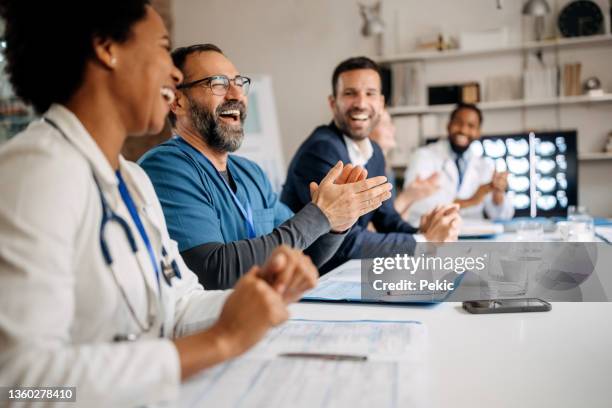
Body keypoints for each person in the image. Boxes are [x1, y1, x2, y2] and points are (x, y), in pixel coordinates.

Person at [0, 2, 317, 406]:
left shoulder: (131, 179)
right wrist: (220, 341)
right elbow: (19, 384)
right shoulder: (37, 174)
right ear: (105, 47)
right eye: (163, 49)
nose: (173, 72)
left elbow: (177, 307)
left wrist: (258, 296)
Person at [139, 44, 392, 289]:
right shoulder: (166, 168)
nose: (237, 95)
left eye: (239, 83)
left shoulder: (251, 173)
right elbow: (213, 271)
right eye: (218, 84)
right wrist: (320, 215)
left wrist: (336, 224)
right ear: (177, 101)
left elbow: (305, 256)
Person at [281, 56, 460, 273]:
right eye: (350, 93)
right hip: (313, 277)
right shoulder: (321, 150)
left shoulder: (374, 153)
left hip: (347, 271)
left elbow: (386, 218)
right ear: (332, 103)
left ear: (381, 103)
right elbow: (344, 241)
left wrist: (422, 231)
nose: (361, 103)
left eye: (370, 93)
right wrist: (423, 242)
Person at [403, 103, 514, 226]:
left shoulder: (484, 166)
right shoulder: (423, 156)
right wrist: (471, 201)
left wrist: (497, 194)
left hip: (472, 237)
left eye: (471, 126)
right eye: (458, 123)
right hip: (430, 235)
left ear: (478, 132)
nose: (463, 130)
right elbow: (416, 203)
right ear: (448, 125)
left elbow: (502, 216)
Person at [369, 108, 440, 220]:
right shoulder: (365, 171)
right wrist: (407, 197)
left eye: (391, 123)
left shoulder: (387, 170)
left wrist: (414, 195)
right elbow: (371, 229)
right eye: (384, 124)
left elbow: (397, 222)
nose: (392, 128)